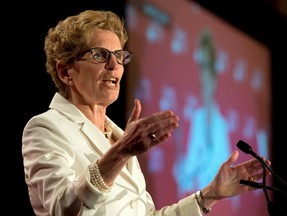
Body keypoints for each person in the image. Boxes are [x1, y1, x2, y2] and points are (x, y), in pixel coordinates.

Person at [22, 10, 271, 216]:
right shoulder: (45, 128)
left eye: (119, 55)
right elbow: (63, 208)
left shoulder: (119, 136)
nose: (114, 65)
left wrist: (209, 194)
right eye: (99, 55)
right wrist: (121, 153)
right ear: (66, 71)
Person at [173, 29, 231, 196]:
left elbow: (225, 178)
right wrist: (181, 167)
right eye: (201, 70)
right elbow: (187, 177)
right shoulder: (197, 119)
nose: (203, 79)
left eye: (207, 70)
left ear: (215, 77)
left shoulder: (221, 125)